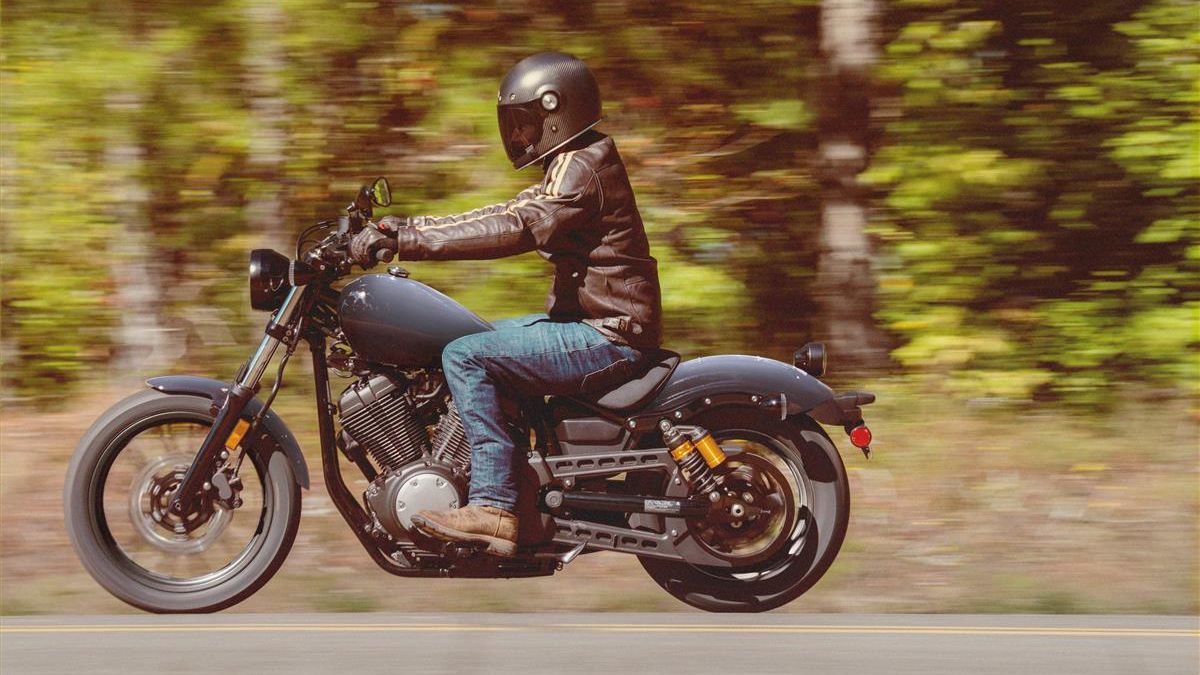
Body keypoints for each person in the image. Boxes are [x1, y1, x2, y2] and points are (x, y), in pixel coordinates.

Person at [350, 52, 662, 557]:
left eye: (526, 121)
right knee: (473, 341)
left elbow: (518, 227)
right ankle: (508, 486)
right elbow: (506, 211)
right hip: (593, 323)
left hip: (609, 333)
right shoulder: (575, 162)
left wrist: (405, 241)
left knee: (466, 355)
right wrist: (402, 227)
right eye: (514, 124)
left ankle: (494, 508)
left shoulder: (584, 165)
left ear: (556, 111)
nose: (519, 135)